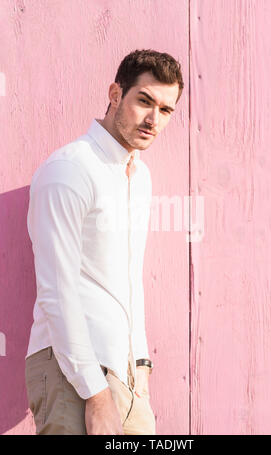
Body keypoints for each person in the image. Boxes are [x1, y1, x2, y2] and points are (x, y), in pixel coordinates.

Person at [24, 48, 184, 435]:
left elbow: (129, 278)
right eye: (144, 101)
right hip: (72, 372)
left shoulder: (138, 176)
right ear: (115, 94)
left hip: (125, 376)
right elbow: (57, 291)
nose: (153, 119)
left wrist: (141, 366)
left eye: (165, 110)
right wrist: (96, 395)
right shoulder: (70, 169)